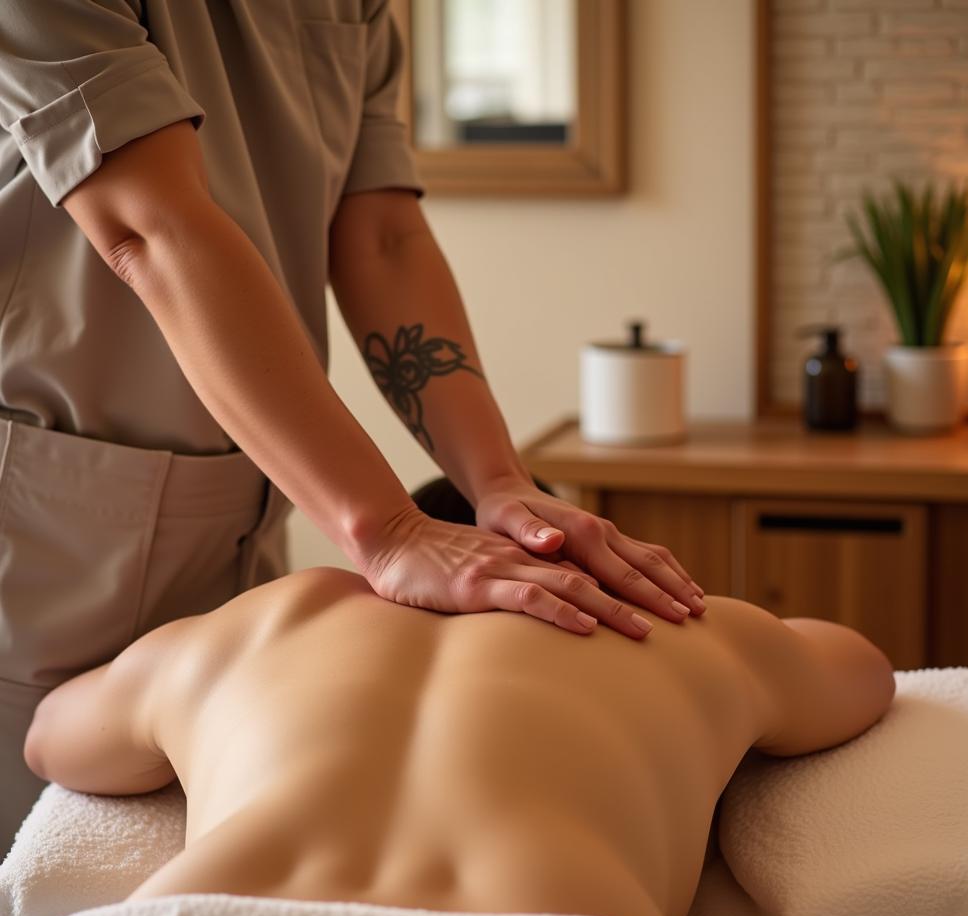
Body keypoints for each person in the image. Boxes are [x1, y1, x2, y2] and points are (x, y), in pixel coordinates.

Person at [0, 1, 704, 853]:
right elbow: (152, 226)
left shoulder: (304, 617)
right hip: (51, 531)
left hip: (247, 516)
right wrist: (391, 527)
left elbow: (384, 238)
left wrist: (500, 483)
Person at [22, 506, 895, 916]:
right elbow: (864, 671)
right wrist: (719, 615)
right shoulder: (670, 626)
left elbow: (51, 737)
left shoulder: (254, 625)